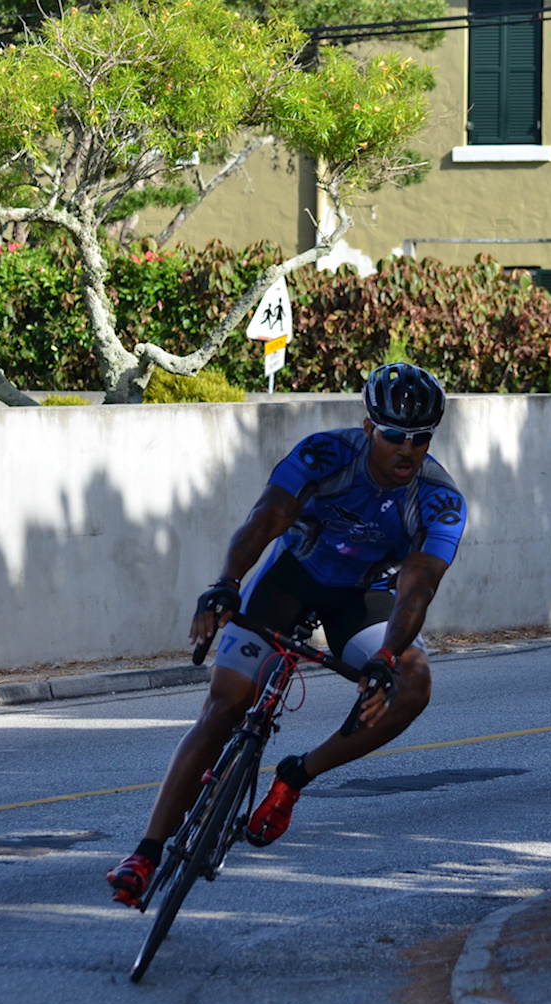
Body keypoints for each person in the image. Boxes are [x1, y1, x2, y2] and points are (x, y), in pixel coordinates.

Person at [106, 362, 467, 907]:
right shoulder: (325, 454)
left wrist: (388, 656)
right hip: (291, 579)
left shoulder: (441, 500)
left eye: (420, 438)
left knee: (414, 682)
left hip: (360, 596)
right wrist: (226, 584)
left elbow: (417, 587)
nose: (407, 450)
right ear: (369, 427)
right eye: (394, 435)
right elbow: (266, 519)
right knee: (226, 704)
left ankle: (295, 776)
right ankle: (146, 853)